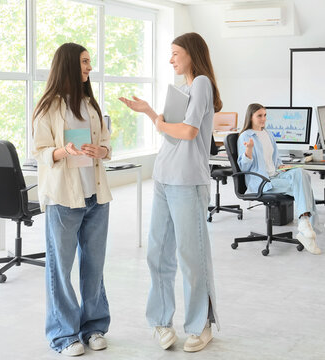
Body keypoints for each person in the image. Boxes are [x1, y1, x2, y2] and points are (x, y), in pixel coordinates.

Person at [120, 32, 220, 353]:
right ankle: (162, 322)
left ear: (191, 54)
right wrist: (151, 112)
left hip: (188, 181)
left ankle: (199, 325)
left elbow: (188, 132)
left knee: (192, 257)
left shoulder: (202, 83)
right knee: (158, 254)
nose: (171, 59)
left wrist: (160, 124)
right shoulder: (182, 89)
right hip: (164, 177)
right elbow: (172, 132)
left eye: (176, 53)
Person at [33, 43, 112, 356]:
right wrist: (62, 151)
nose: (89, 67)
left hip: (95, 196)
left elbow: (106, 145)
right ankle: (64, 336)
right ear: (67, 64)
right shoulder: (48, 107)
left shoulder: (91, 104)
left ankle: (93, 327)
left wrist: (101, 151)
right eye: (84, 62)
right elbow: (39, 152)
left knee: (94, 267)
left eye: (90, 62)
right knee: (60, 269)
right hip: (63, 199)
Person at [237, 103, 321, 255]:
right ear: (251, 117)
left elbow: (275, 161)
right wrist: (248, 151)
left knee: (302, 174)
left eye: (265, 115)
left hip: (275, 175)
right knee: (302, 184)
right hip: (262, 181)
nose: (263, 119)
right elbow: (243, 167)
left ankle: (305, 225)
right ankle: (306, 225)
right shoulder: (245, 136)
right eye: (259, 116)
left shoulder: (267, 133)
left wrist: (284, 167)